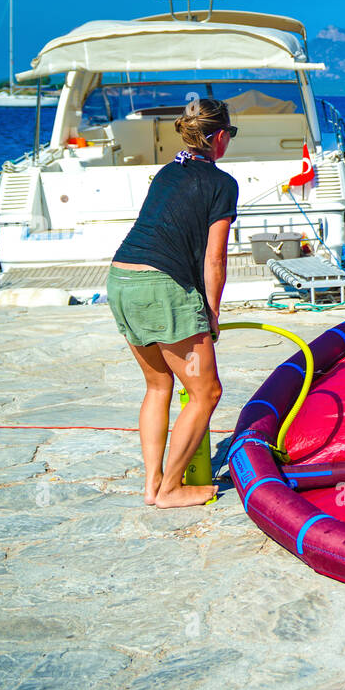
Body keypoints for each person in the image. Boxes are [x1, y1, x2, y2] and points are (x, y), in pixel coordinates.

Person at [107, 97, 239, 508]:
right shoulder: (221, 183)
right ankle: (170, 490)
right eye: (229, 134)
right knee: (206, 393)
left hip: (121, 279)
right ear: (218, 137)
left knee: (159, 384)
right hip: (163, 288)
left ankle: (152, 484)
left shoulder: (167, 172)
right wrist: (211, 312)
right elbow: (214, 258)